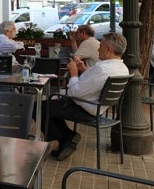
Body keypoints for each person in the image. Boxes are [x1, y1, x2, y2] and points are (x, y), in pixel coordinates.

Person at [40, 32, 129, 161]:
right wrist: (83, 69)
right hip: (98, 108)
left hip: (84, 109)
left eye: (101, 45)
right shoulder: (122, 68)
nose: (98, 48)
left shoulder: (102, 70)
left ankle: (66, 137)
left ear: (109, 49)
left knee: (40, 107)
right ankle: (67, 137)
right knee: (51, 105)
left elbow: (75, 92)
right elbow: (97, 82)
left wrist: (74, 72)